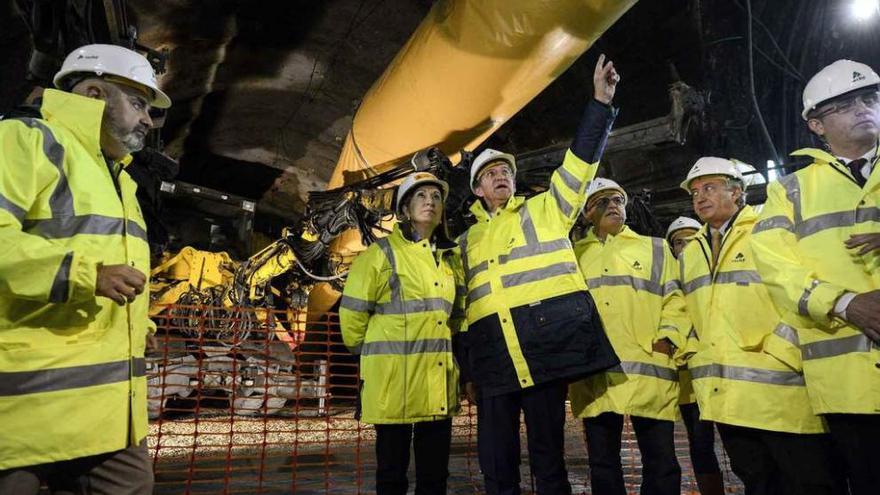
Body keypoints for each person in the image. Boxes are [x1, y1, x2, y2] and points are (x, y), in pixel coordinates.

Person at [0, 44, 171, 494]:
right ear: (94, 93)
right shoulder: (25, 139)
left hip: (110, 413)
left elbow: (120, 268)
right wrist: (86, 275)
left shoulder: (121, 179)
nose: (147, 122)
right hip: (26, 410)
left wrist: (140, 323)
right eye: (138, 103)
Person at [455, 55, 620, 495]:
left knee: (549, 462)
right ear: (477, 189)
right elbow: (463, 311)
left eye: (505, 171)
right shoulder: (466, 243)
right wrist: (468, 369)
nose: (500, 177)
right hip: (494, 361)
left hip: (542, 353)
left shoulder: (545, 210)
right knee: (497, 463)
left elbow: (579, 166)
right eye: (490, 174)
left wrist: (599, 106)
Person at [750, 59, 880, 495]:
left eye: (870, 98)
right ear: (816, 125)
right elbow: (776, 266)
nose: (863, 108)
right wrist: (844, 302)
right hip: (848, 382)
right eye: (844, 105)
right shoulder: (789, 190)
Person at [677, 157, 843, 495]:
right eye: (694, 192)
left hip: (780, 390)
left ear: (737, 191)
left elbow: (800, 289)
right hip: (727, 398)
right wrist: (692, 349)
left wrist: (782, 350)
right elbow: (688, 310)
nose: (700, 198)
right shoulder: (691, 251)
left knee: (809, 481)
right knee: (758, 482)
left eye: (709, 188)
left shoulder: (768, 229)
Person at [340, 171, 465, 495]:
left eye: (436, 197)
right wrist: (367, 355)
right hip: (393, 383)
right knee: (392, 475)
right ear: (405, 209)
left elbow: (457, 318)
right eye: (421, 196)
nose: (430, 202)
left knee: (434, 477)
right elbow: (352, 317)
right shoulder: (380, 255)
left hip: (435, 382)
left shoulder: (450, 259)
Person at [569, 178, 688, 495]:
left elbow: (676, 300)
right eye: (603, 201)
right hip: (596, 376)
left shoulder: (655, 248)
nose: (613, 205)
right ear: (586, 213)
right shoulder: (571, 257)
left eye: (618, 200)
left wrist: (669, 338)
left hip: (647, 371)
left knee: (660, 461)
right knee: (603, 464)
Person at [664, 216, 724, 495]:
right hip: (690, 381)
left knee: (739, 444)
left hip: (723, 373)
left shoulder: (714, 273)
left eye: (691, 240)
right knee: (701, 443)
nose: (685, 246)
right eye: (678, 242)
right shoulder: (667, 280)